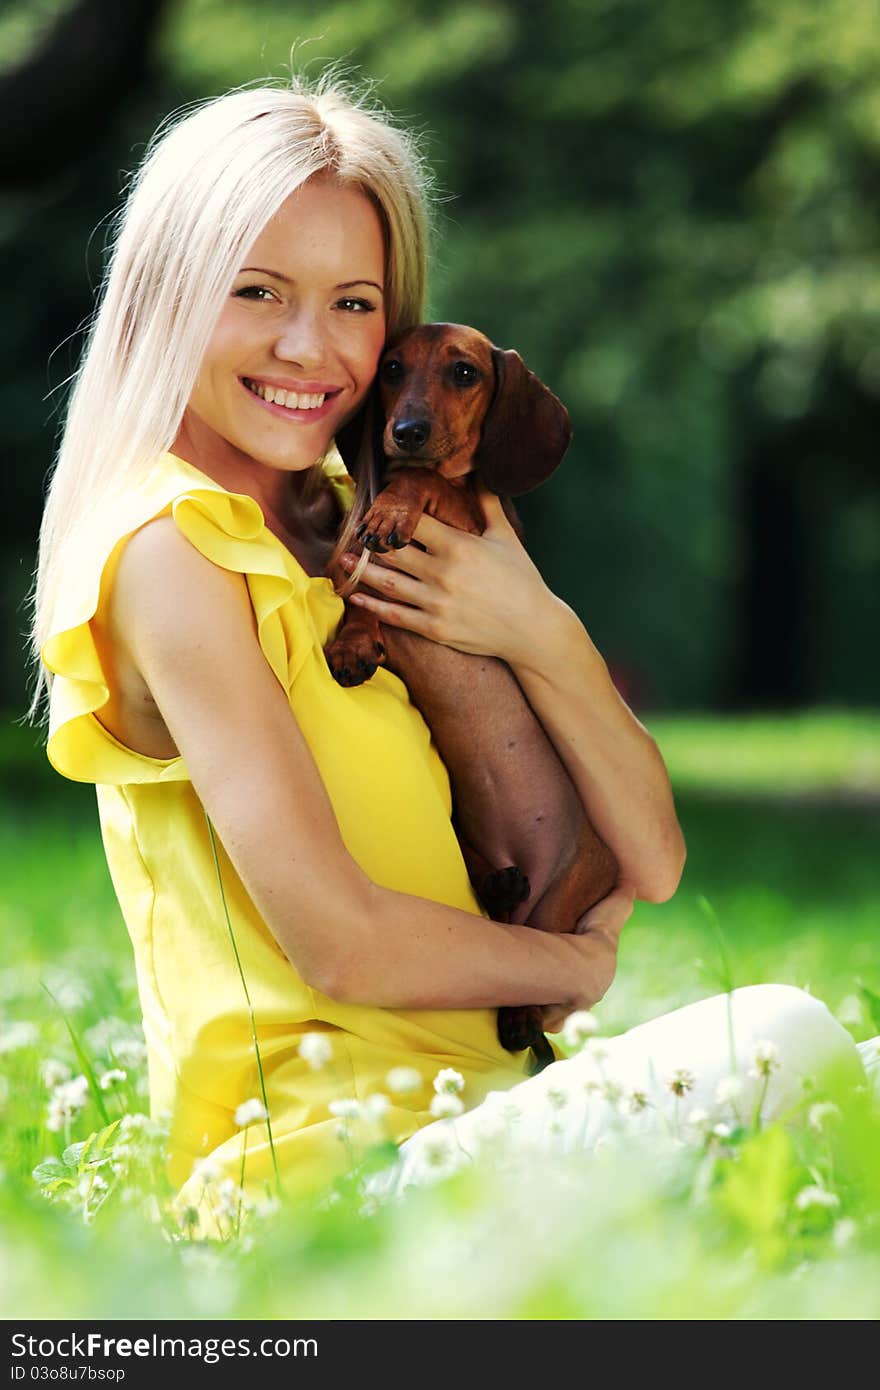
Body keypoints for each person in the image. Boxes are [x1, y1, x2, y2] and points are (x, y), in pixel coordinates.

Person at [27, 73, 874, 1238]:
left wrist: (538, 628)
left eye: (354, 303)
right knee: (782, 1033)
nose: (307, 346)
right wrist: (564, 970)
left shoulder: (375, 523)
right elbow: (339, 942)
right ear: (166, 298)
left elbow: (654, 860)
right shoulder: (172, 551)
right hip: (332, 1185)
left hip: (489, 1115)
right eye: (255, 290)